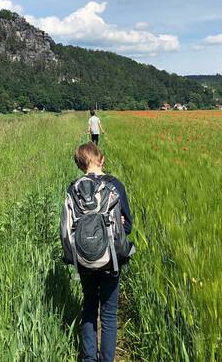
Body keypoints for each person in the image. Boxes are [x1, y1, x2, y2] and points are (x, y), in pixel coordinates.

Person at [71, 142, 132, 362]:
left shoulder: (73, 188)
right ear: (102, 159)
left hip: (84, 259)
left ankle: (88, 358)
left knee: (89, 306)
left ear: (80, 165)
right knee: (108, 313)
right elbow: (127, 226)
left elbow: (68, 228)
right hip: (111, 259)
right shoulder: (115, 185)